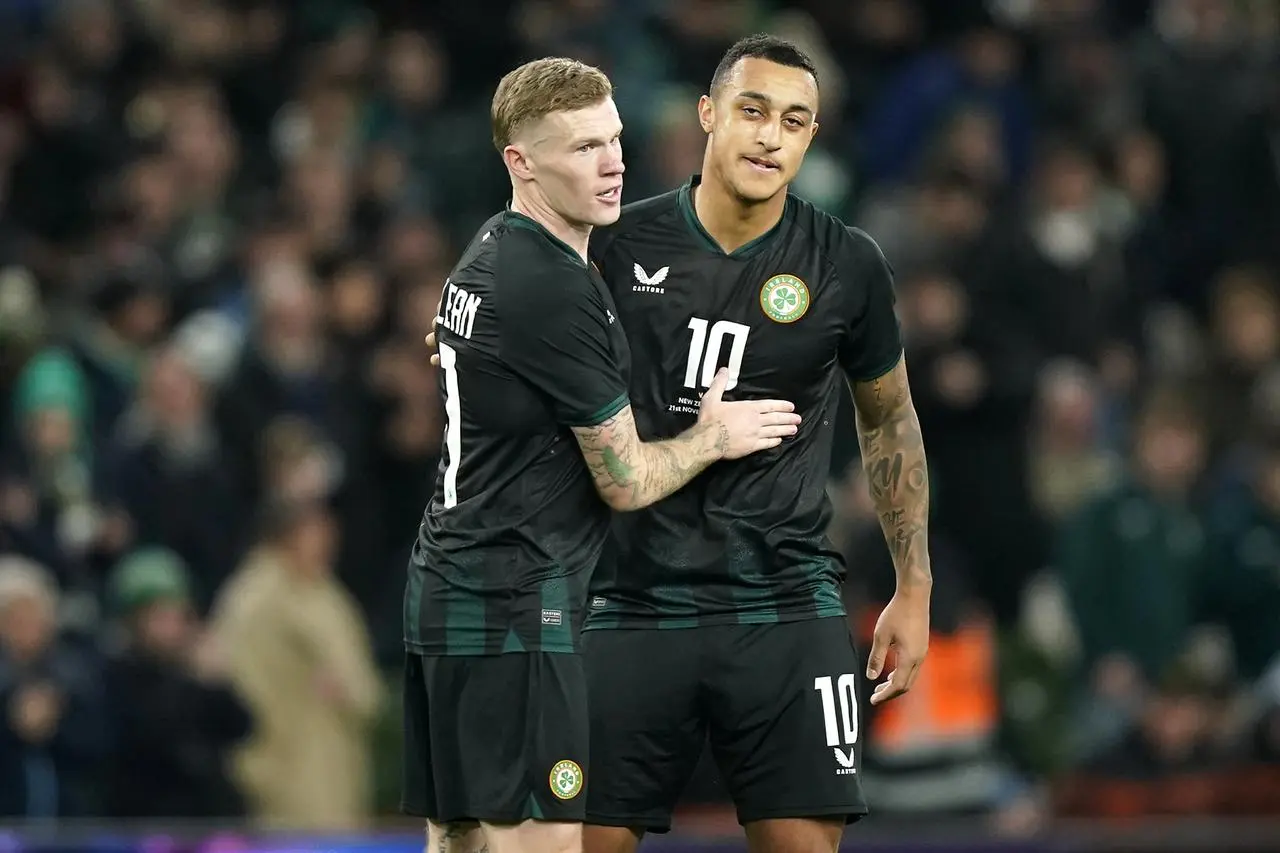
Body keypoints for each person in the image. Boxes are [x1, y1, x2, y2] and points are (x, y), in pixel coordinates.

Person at [428, 35, 932, 853]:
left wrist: (914, 585)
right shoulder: (613, 247)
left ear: (812, 138)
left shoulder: (848, 264)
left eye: (796, 121)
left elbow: (891, 419)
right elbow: (512, 334)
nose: (771, 136)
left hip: (787, 605)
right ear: (709, 114)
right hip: (627, 605)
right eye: (754, 111)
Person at [402, 57, 803, 853]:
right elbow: (624, 481)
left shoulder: (493, 248)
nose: (615, 162)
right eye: (584, 148)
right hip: (518, 605)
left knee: (460, 844)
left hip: (450, 593)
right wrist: (714, 435)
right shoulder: (551, 288)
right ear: (521, 162)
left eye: (614, 139)